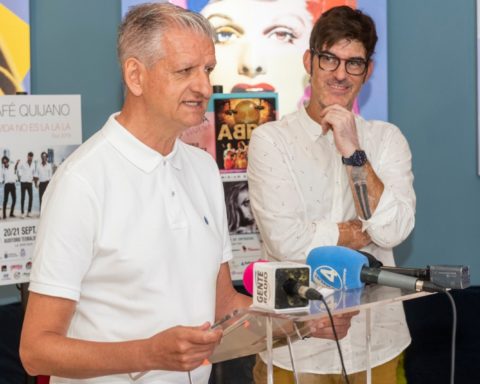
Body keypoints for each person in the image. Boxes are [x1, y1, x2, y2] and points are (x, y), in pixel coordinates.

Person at [19, 4, 252, 383]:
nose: (205, 87)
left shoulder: (203, 168)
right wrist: (147, 353)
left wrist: (308, 319)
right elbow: (36, 351)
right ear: (135, 76)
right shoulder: (82, 181)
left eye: (207, 69)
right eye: (185, 71)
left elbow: (224, 304)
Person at [248, 5, 416, 384]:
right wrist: (356, 232)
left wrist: (353, 152)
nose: (341, 74)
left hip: (377, 340)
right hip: (295, 344)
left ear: (367, 71)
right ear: (309, 60)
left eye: (354, 63)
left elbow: (392, 231)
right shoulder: (270, 141)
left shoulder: (386, 140)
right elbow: (286, 241)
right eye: (329, 59)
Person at [17, 151, 35, 218]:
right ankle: (22, 213)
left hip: (29, 182)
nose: (30, 157)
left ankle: (29, 212)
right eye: (29, 156)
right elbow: (18, 169)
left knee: (31, 197)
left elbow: (33, 172)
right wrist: (20, 175)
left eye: (31, 156)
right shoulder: (23, 163)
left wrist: (32, 178)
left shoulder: (33, 164)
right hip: (23, 182)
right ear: (27, 156)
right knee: (23, 198)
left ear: (32, 157)